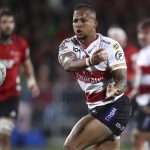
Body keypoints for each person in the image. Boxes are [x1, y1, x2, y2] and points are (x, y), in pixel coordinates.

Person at [58, 3, 131, 150]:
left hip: (114, 107)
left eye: (83, 20)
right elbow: (68, 65)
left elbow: (122, 80)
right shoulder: (68, 45)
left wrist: (115, 90)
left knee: (71, 146)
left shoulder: (111, 46)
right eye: (75, 20)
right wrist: (92, 60)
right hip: (95, 107)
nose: (78, 24)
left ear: (95, 23)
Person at [0, 7, 39, 150]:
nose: (8, 25)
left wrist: (32, 81)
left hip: (11, 96)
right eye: (4, 22)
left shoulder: (20, 44)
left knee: (4, 134)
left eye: (10, 22)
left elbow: (27, 64)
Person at [131, 18, 150, 150]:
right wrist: (133, 95)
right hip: (143, 103)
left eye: (146, 32)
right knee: (140, 138)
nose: (142, 36)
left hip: (148, 104)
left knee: (140, 136)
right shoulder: (143, 53)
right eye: (140, 32)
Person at [107, 26, 139, 96]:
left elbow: (138, 74)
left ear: (124, 38)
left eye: (116, 36)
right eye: (111, 37)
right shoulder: (107, 54)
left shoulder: (133, 52)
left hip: (132, 92)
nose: (114, 39)